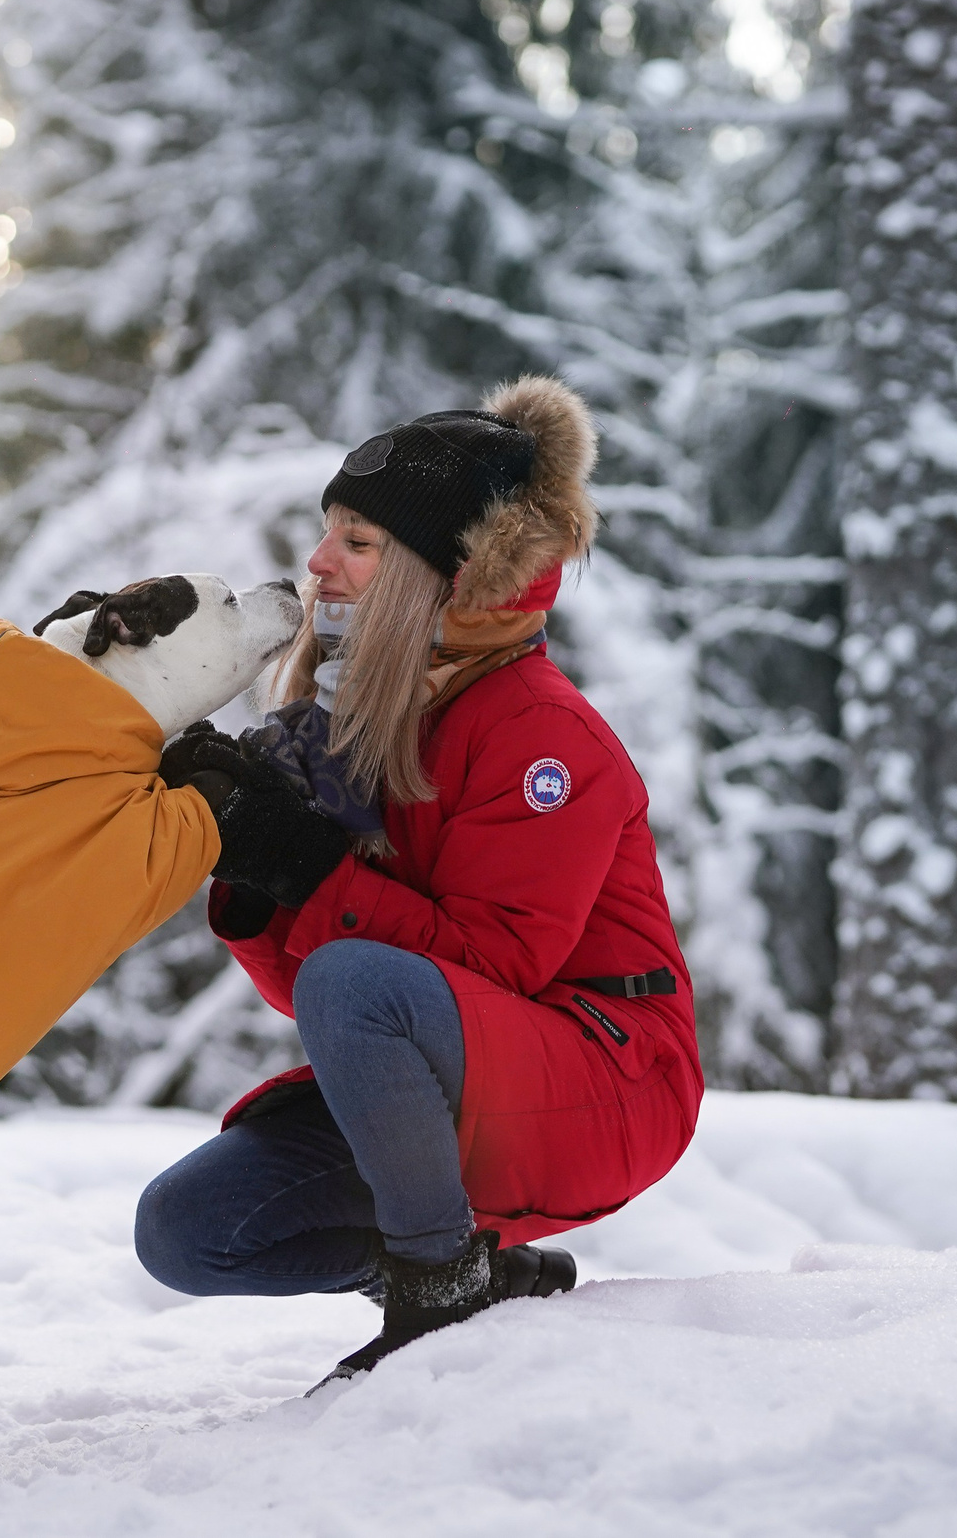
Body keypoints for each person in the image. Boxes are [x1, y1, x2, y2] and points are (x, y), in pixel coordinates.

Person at [136, 375, 704, 1386]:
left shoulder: (541, 734)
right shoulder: (362, 719)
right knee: (190, 1230)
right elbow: (320, 998)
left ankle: (436, 1288)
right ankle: (476, 1271)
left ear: (447, 576)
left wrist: (310, 867)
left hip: (612, 1079)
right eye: (327, 533)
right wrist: (259, 870)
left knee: (353, 978)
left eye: (356, 542)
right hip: (475, 1072)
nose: (318, 562)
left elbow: (490, 966)